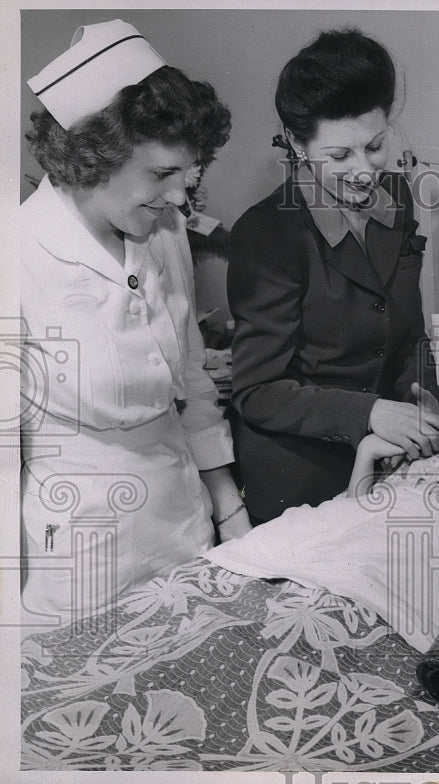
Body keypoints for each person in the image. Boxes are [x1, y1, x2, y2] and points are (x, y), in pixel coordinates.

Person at [20, 20, 250, 626]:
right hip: (82, 556)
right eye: (161, 174)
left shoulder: (165, 233)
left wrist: (229, 513)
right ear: (94, 157)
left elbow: (196, 385)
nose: (181, 197)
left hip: (183, 523)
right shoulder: (16, 257)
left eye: (189, 171)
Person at [205, 307, 439, 650]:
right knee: (244, 605)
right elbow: (355, 512)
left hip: (419, 564)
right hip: (354, 544)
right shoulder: (436, 439)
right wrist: (367, 453)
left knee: (303, 632)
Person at [227, 28, 439, 524]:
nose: (365, 170)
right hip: (300, 472)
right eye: (339, 156)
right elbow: (256, 392)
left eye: (374, 145)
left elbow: (408, 330)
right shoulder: (268, 234)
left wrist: (422, 393)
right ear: (295, 144)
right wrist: (369, 412)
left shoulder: (397, 197)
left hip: (385, 455)